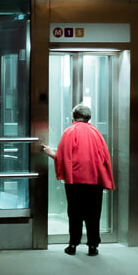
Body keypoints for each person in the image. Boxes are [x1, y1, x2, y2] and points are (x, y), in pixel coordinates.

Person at [42, 103, 114, 256]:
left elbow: (63, 157)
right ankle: (93, 246)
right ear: (89, 117)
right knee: (93, 214)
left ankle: (73, 245)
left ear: (74, 116)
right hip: (95, 181)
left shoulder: (70, 132)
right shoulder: (96, 133)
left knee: (75, 214)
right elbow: (105, 158)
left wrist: (50, 153)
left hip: (75, 182)